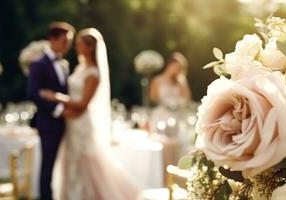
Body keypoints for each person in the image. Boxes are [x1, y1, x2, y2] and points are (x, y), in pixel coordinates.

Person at [39, 28, 140, 200]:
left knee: (86, 164)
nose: (75, 47)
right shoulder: (80, 67)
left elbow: (83, 103)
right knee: (70, 162)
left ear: (90, 47)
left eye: (79, 44)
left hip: (81, 123)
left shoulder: (93, 73)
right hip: (71, 122)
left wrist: (55, 97)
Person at [27, 21, 75, 200]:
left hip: (67, 123)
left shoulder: (64, 64)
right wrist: (57, 110)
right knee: (47, 165)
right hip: (48, 124)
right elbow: (33, 93)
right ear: (52, 39)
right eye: (65, 41)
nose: (67, 45)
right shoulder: (38, 65)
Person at [149, 52, 192, 173]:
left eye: (180, 69)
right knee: (162, 145)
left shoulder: (181, 81)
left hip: (176, 117)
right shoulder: (157, 80)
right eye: (177, 67)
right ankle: (161, 173)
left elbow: (187, 98)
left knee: (176, 146)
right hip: (161, 116)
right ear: (170, 65)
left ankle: (175, 173)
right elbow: (153, 98)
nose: (178, 70)